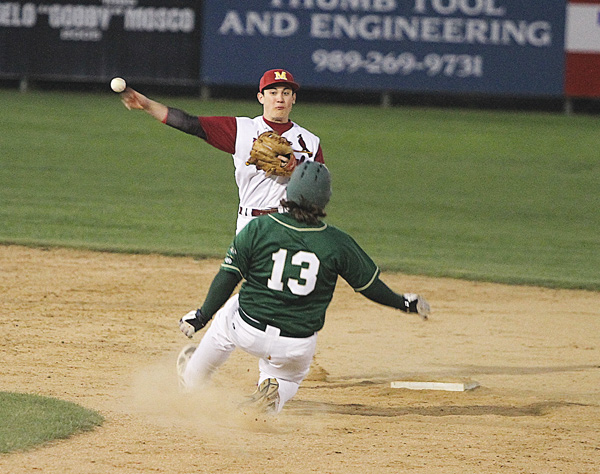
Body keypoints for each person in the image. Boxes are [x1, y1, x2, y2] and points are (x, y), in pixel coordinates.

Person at [176, 161, 431, 414]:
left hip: (248, 328)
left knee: (224, 321)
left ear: (288, 191)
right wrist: (404, 303)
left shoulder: (260, 228)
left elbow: (228, 277)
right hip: (296, 342)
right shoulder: (337, 242)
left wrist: (201, 317)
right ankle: (272, 397)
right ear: (325, 200)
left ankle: (193, 381)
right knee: (287, 379)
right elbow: (370, 286)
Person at [119, 69, 324, 234]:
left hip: (289, 224)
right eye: (273, 92)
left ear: (293, 98)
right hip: (250, 224)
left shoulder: (310, 142)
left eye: (286, 93)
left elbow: (319, 189)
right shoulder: (242, 130)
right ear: (261, 97)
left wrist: (295, 168)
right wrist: (147, 105)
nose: (279, 98)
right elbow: (190, 124)